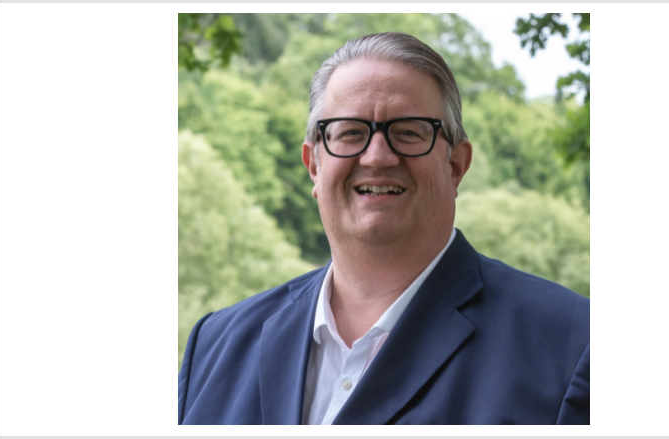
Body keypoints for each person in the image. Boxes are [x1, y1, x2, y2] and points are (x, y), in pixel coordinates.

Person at [178, 32, 589, 425]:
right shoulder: (215, 345)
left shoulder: (572, 347)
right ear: (314, 165)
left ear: (455, 166)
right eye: (350, 132)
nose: (377, 157)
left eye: (408, 132)